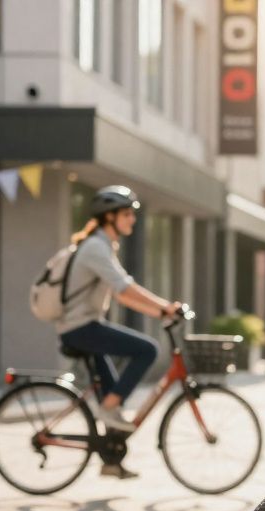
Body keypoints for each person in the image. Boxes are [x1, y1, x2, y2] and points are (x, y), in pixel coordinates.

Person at [56, 186, 180, 477]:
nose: (132, 220)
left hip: (86, 326)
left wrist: (160, 313)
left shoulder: (104, 246)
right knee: (147, 350)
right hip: (80, 328)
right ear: (109, 217)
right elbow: (125, 288)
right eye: (127, 214)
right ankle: (108, 410)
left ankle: (111, 462)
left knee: (113, 395)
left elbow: (122, 295)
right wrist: (165, 306)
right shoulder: (95, 247)